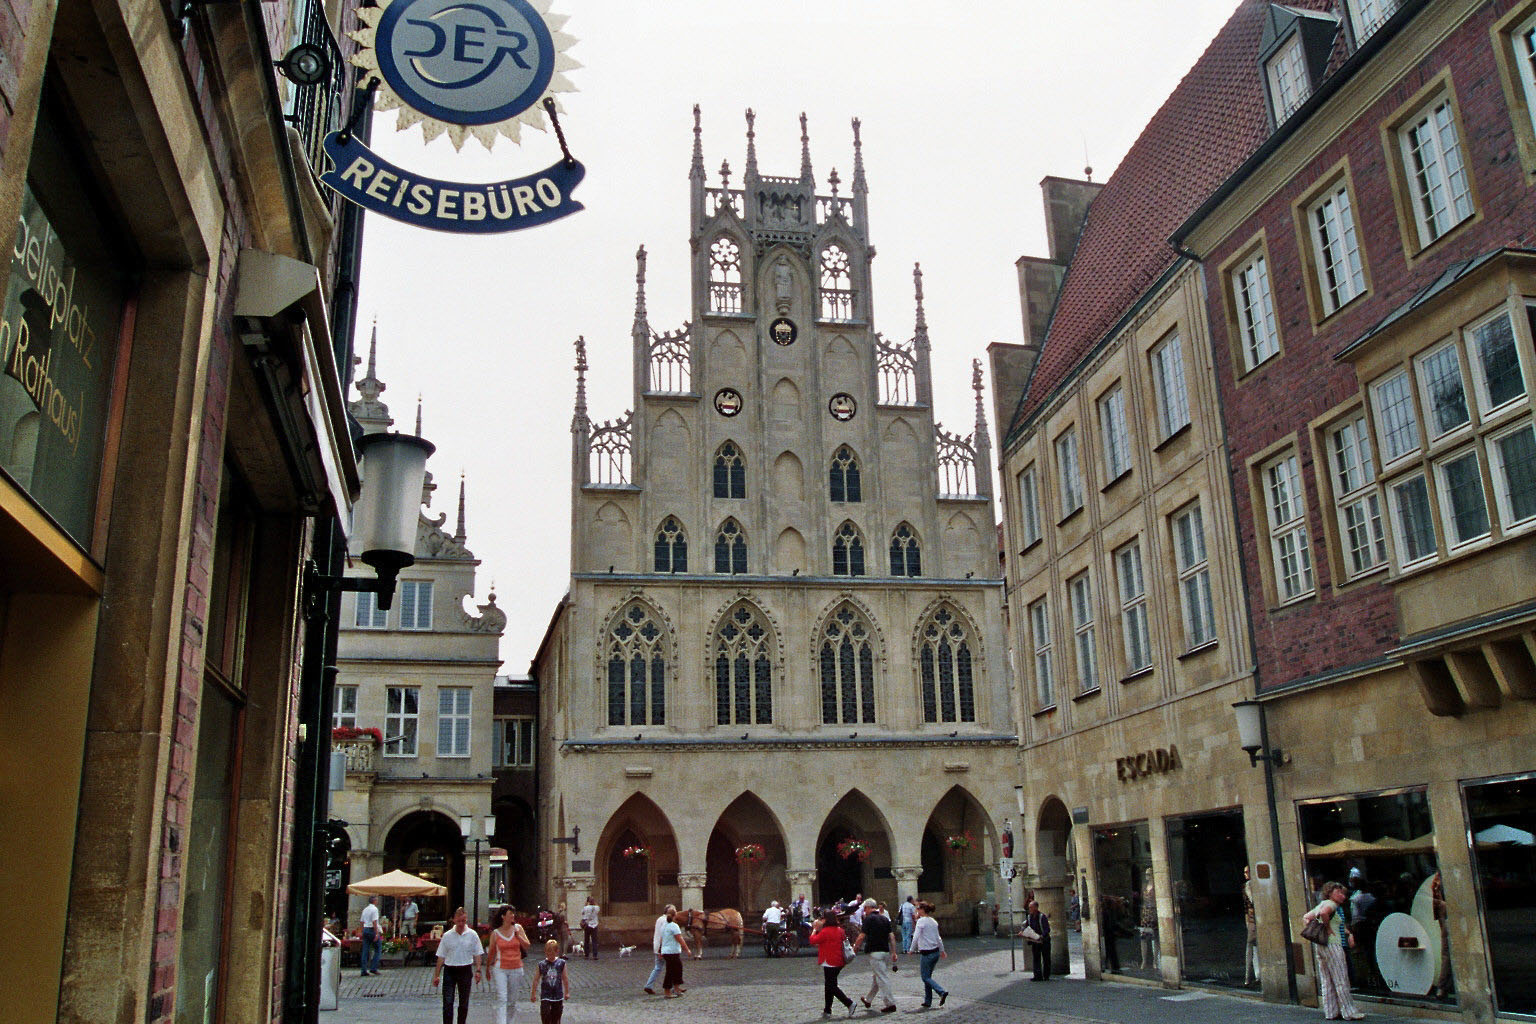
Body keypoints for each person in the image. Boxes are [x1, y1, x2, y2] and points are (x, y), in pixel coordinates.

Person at [1303, 882, 1364, 1021]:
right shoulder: (1331, 905)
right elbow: (1324, 914)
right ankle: (1348, 1011)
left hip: (1321, 945)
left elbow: (1306, 917)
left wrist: (1320, 928)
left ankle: (1331, 1011)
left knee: (1327, 979)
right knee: (1341, 978)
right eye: (1338, 892)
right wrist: (1328, 928)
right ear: (1329, 893)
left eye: (1343, 893)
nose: (1342, 896)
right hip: (1333, 945)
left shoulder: (1322, 903)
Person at [433, 907, 484, 1024]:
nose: (461, 924)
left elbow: (478, 954)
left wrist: (478, 970)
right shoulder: (447, 935)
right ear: (454, 920)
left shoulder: (472, 934)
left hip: (465, 969)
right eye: (459, 921)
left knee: (464, 1002)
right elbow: (441, 956)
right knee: (448, 1001)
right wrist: (437, 975)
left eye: (464, 921)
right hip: (450, 970)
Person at [486, 904, 531, 1024]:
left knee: (512, 1000)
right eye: (510, 914)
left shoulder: (518, 928)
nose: (513, 916)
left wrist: (518, 936)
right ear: (503, 916)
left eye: (513, 913)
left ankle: (510, 1021)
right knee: (502, 998)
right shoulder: (495, 933)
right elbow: (491, 952)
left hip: (516, 968)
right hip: (500, 968)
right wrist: (487, 968)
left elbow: (527, 945)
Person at [854, 898, 898, 1014]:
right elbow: (892, 937)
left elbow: (861, 936)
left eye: (865, 909)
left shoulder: (869, 920)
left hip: (875, 953)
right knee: (877, 977)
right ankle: (868, 999)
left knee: (882, 978)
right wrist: (893, 952)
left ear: (868, 908)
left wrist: (855, 948)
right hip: (885, 952)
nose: (864, 911)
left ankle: (890, 1003)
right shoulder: (884, 919)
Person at [809, 909, 854, 1016]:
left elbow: (813, 940)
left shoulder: (825, 931)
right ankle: (827, 1010)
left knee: (831, 986)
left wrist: (815, 929)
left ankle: (849, 1003)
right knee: (829, 985)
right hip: (840, 961)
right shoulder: (840, 930)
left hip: (829, 962)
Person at [906, 900, 948, 1008]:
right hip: (935, 952)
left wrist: (911, 949)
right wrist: (942, 950)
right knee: (928, 976)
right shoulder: (933, 921)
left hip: (927, 953)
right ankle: (928, 1001)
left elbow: (916, 936)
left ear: (922, 910)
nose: (917, 911)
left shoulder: (921, 921)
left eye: (918, 909)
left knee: (925, 977)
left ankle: (941, 991)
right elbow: (938, 938)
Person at [531, 939, 569, 1024]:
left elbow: (565, 978)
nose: (549, 955)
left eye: (551, 953)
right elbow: (536, 979)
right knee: (545, 1015)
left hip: (557, 995)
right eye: (547, 953)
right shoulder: (541, 964)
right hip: (545, 995)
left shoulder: (561, 963)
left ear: (557, 952)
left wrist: (567, 992)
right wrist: (533, 993)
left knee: (556, 1018)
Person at [659, 903, 692, 997]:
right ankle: (667, 991)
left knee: (677, 969)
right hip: (672, 952)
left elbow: (662, 939)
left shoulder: (664, 925)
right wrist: (687, 949)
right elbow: (680, 939)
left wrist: (660, 950)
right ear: (675, 915)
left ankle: (676, 989)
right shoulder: (674, 926)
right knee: (672, 971)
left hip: (667, 951)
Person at [643, 904, 674, 994]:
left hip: (658, 946)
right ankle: (673, 987)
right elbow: (664, 934)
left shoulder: (660, 919)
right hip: (664, 947)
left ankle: (648, 985)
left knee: (658, 967)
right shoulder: (665, 920)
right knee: (671, 967)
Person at [1022, 899, 1052, 981]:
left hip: (1044, 940)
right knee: (1036, 958)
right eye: (1029, 908)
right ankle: (1037, 976)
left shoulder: (1042, 917)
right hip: (1035, 941)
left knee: (1046, 958)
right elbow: (1027, 927)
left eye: (1031, 907)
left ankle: (1046, 976)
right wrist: (1023, 932)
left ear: (1036, 908)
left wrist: (1042, 936)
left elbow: (1047, 929)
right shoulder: (1029, 917)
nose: (1030, 909)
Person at [1243, 867, 1260, 987]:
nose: (1246, 874)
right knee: (1251, 947)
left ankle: (1257, 975)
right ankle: (1248, 977)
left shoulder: (1257, 886)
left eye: (1248, 872)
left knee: (1255, 947)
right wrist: (1247, 922)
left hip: (1258, 919)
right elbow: (1246, 906)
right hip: (1252, 920)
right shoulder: (1245, 887)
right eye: (1244, 872)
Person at [359, 896, 381, 976]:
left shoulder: (365, 909)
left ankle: (363, 970)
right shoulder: (374, 909)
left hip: (365, 929)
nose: (377, 901)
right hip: (371, 929)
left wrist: (362, 931)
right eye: (377, 900)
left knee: (365, 950)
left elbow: (361, 921)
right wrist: (376, 933)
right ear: (374, 901)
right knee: (378, 949)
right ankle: (373, 968)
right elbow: (374, 922)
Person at [579, 895, 599, 959]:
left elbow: (582, 913)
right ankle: (595, 955)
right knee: (594, 941)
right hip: (594, 925)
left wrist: (586, 904)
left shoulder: (586, 908)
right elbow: (597, 910)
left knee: (586, 940)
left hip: (587, 925)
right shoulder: (597, 907)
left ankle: (586, 954)